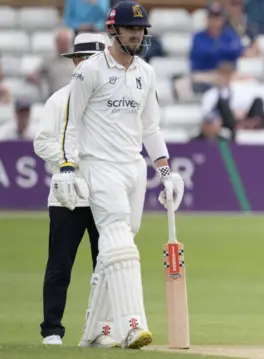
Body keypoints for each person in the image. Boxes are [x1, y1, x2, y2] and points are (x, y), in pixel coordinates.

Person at [50, 1, 185, 349]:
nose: (137, 35)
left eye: (141, 30)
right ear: (114, 31)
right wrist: (67, 166)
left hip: (133, 168)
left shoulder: (146, 72)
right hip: (99, 165)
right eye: (131, 29)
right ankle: (133, 325)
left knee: (118, 246)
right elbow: (71, 123)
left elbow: (150, 127)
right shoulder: (89, 71)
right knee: (118, 238)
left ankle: (97, 330)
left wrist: (166, 171)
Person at [33, 33, 106, 346]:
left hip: (104, 192)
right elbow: (42, 141)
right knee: (60, 264)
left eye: (90, 60)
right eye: (80, 59)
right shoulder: (59, 99)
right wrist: (68, 163)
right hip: (68, 194)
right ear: (74, 62)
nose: (84, 65)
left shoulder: (110, 102)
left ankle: (103, 328)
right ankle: (52, 329)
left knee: (106, 265)